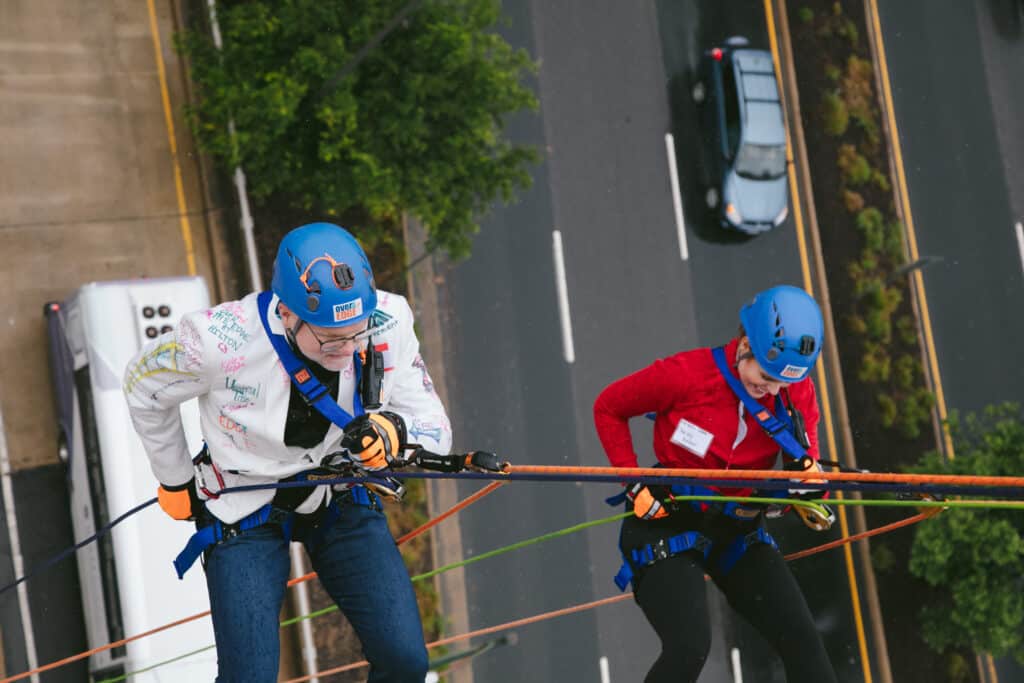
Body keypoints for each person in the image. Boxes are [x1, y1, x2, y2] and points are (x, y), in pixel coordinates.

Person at [124, 222, 486, 682]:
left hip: (337, 493)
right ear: (287, 313)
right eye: (332, 339)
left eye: (357, 334)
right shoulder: (219, 341)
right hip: (242, 502)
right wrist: (174, 477)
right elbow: (143, 386)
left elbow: (436, 428)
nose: (347, 349)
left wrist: (394, 430)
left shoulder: (388, 322)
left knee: (406, 662)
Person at [593, 284, 838, 683]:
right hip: (664, 518)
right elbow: (609, 407)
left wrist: (808, 488)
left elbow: (811, 476)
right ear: (745, 345)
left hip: (737, 528)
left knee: (805, 644)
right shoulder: (687, 376)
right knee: (689, 649)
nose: (773, 390)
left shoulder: (796, 394)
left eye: (783, 384)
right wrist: (635, 482)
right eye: (765, 376)